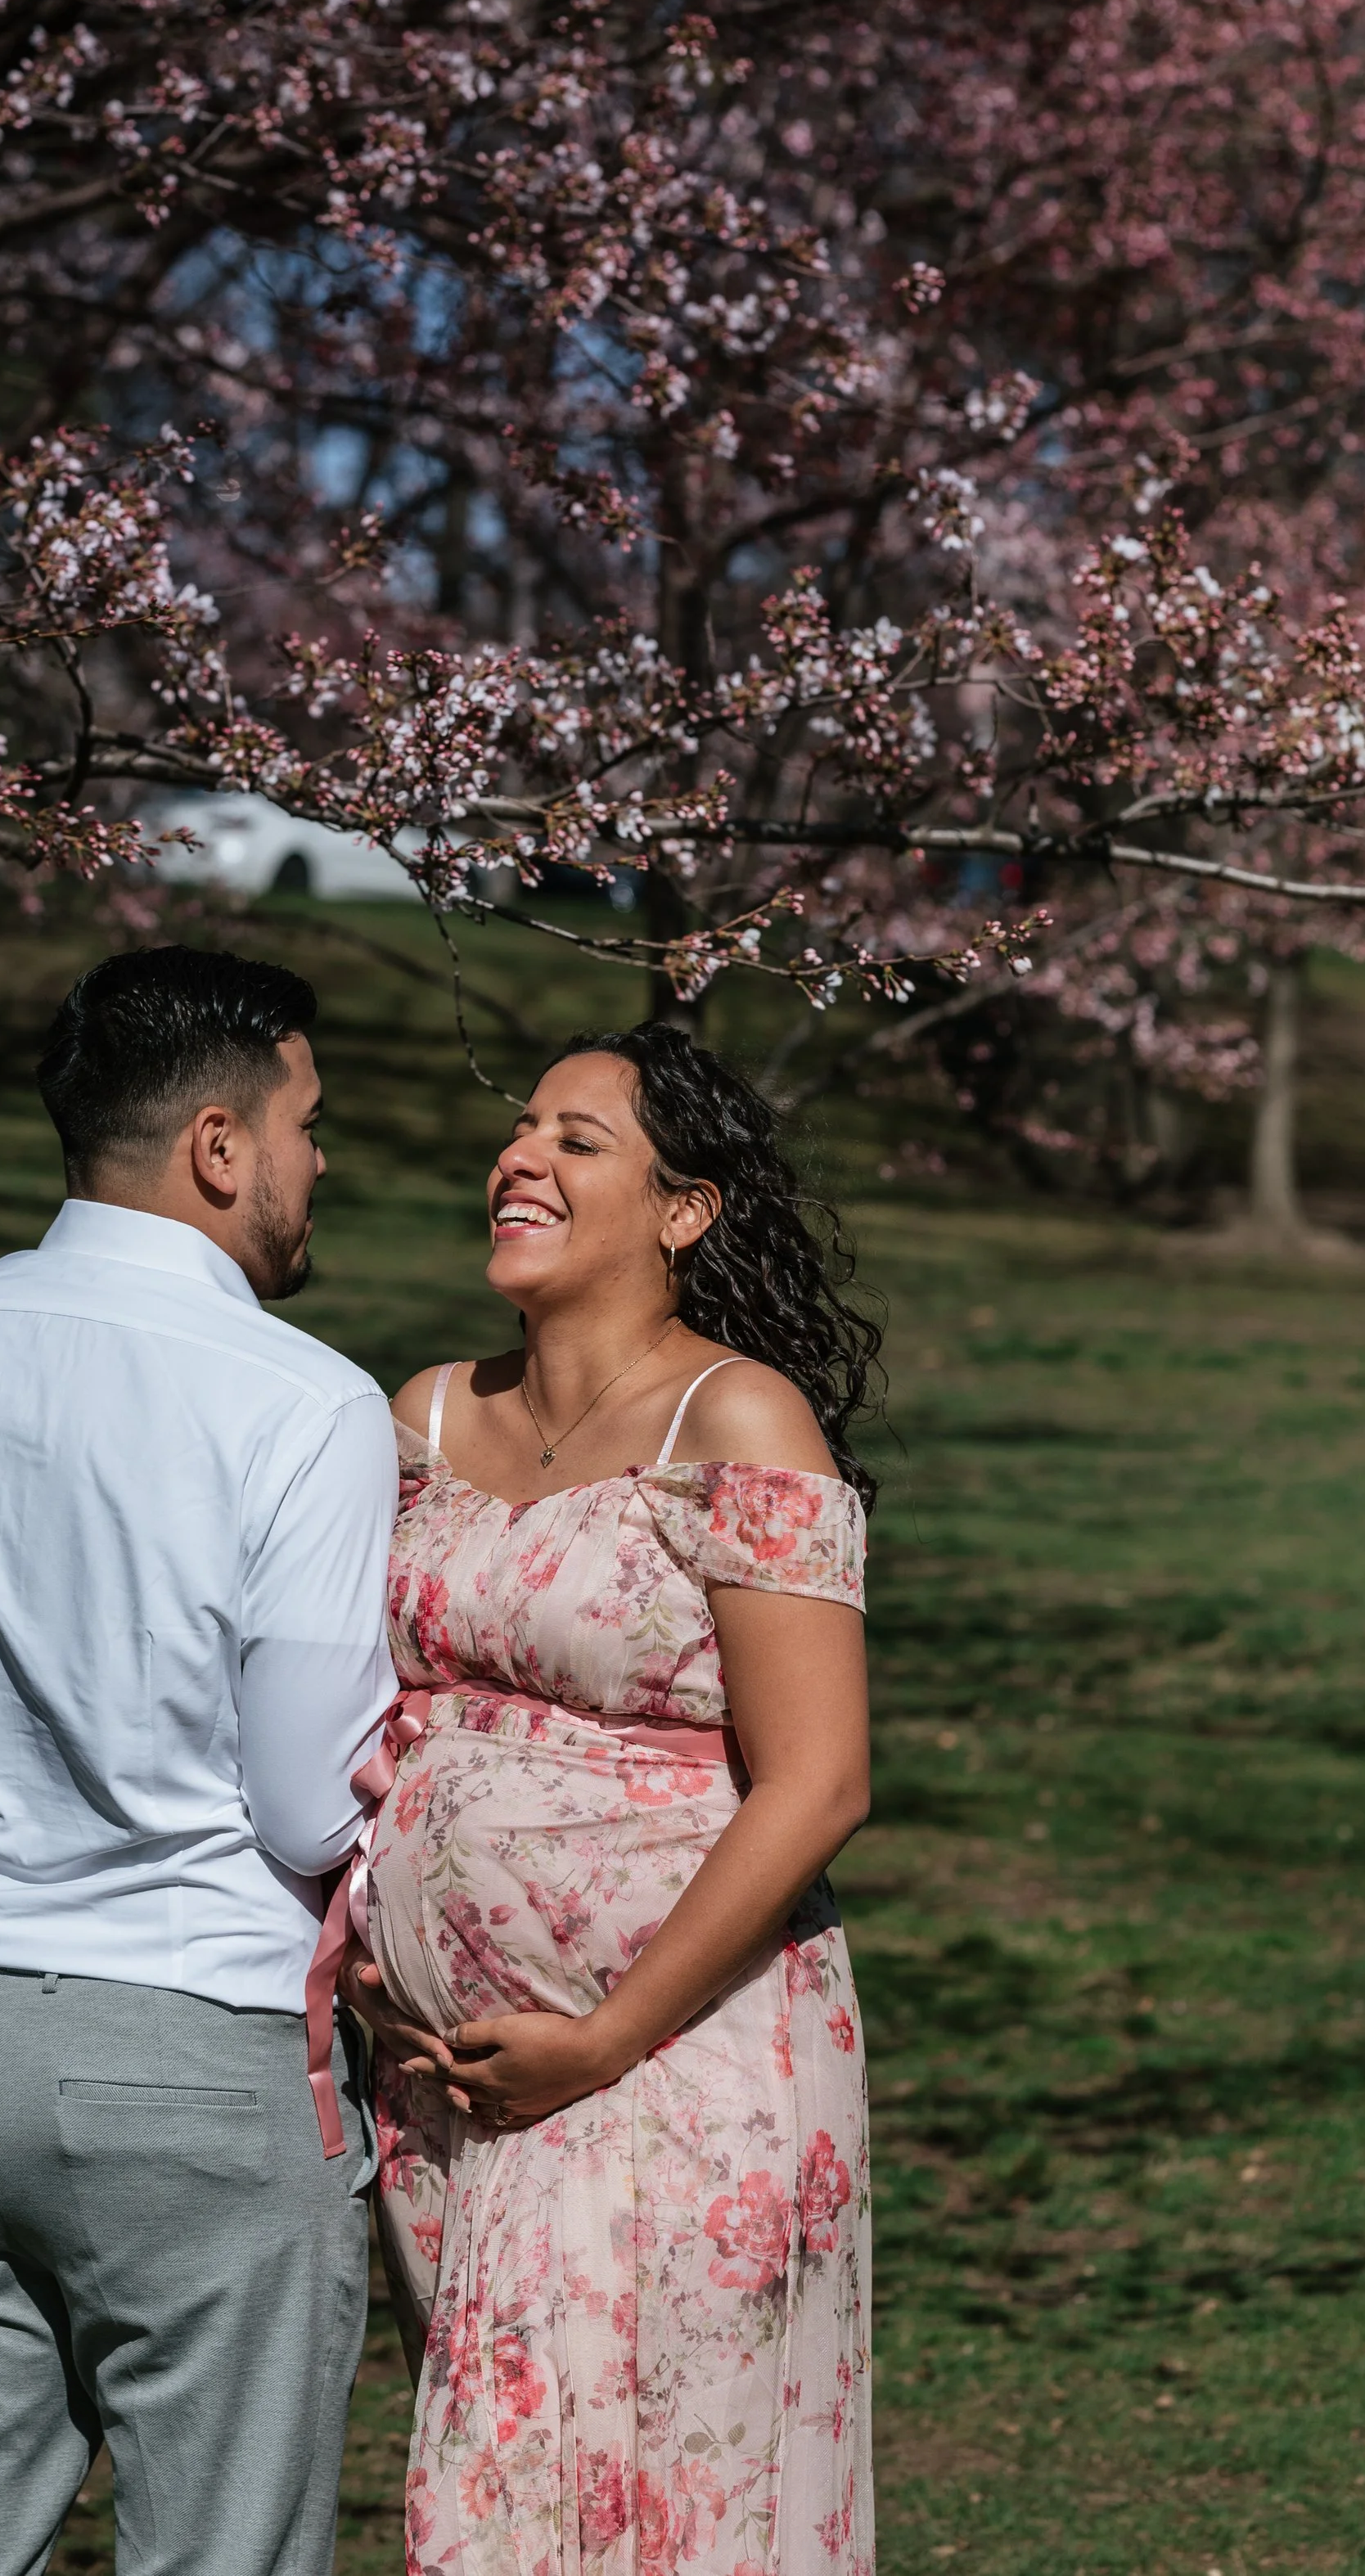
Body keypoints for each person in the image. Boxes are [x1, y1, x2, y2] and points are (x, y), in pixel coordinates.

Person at [0, 946, 397, 2576]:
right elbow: (311, 1800)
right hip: (197, 2054)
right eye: (308, 1121)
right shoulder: (306, 1405)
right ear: (219, 1146)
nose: (324, 1161)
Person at [347, 1022, 878, 2576]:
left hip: (686, 2057)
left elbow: (820, 1779)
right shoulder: (422, 1416)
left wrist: (606, 2031)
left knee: (671, 2513)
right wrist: (367, 1965)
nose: (520, 1156)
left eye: (579, 1139)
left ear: (684, 1210)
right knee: (507, 2495)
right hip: (448, 2078)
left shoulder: (741, 1421)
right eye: (521, 1129)